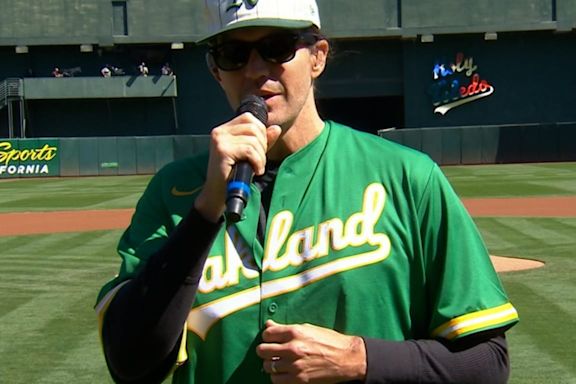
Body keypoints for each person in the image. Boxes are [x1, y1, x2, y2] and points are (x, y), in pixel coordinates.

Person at [96, 1, 519, 383]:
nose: (256, 69)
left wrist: (361, 359)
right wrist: (205, 210)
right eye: (233, 54)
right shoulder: (174, 194)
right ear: (214, 70)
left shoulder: (408, 177)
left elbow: (487, 363)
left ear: (317, 57)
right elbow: (130, 364)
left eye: (278, 46)